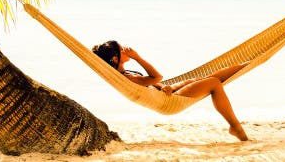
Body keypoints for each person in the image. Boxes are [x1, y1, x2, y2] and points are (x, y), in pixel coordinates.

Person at [92, 40, 249, 141]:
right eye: (122, 49)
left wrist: (164, 87)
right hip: (169, 102)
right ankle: (235, 126)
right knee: (214, 83)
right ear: (114, 58)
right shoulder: (128, 78)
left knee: (197, 80)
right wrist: (137, 57)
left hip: (168, 92)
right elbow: (157, 77)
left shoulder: (126, 74)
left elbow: (153, 83)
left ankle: (245, 65)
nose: (126, 49)